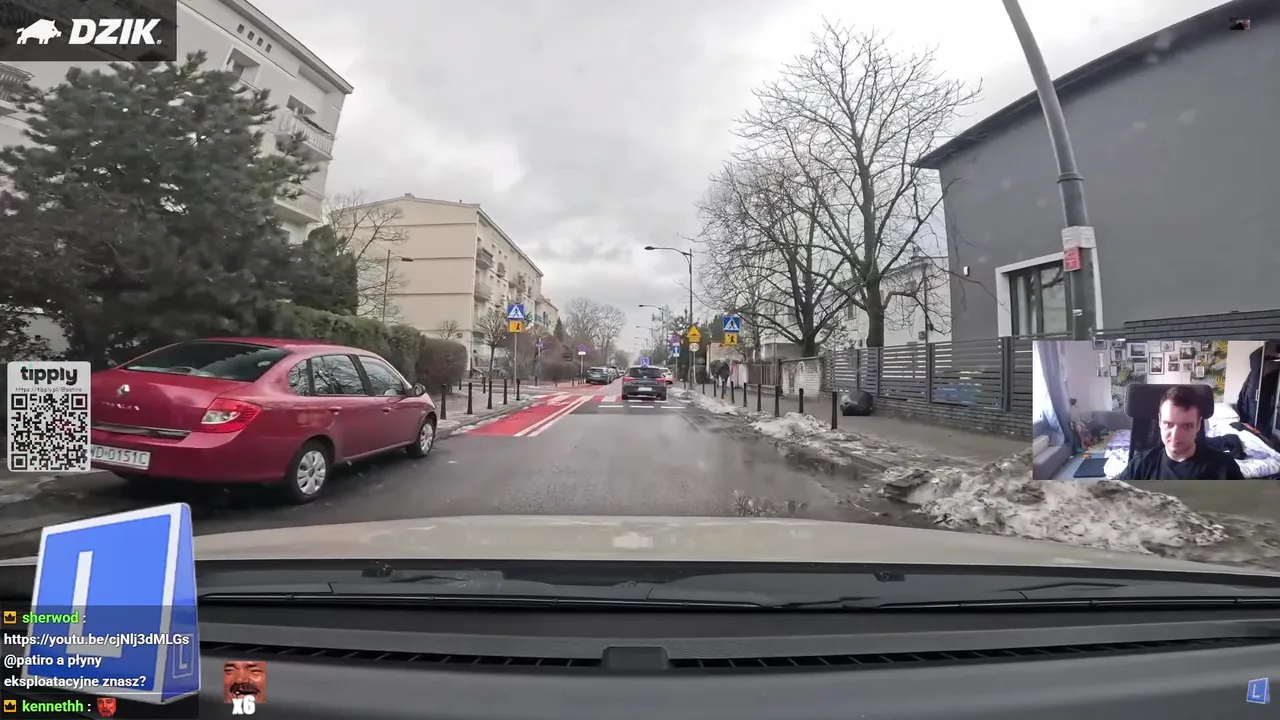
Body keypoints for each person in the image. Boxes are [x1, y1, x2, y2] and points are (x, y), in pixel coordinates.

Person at [1116, 385, 1245, 480]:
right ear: (1159, 421)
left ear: (1198, 425)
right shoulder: (1140, 467)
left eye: (1187, 426)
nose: (1176, 435)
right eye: (1169, 424)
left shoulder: (1225, 468)